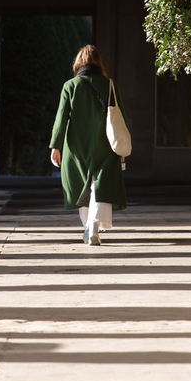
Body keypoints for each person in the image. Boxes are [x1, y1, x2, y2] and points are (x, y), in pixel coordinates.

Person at [49, 44, 127, 245]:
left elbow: (61, 118)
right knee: (101, 184)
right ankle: (94, 224)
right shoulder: (111, 85)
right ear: (98, 62)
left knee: (80, 186)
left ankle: (88, 226)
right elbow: (120, 118)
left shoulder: (70, 86)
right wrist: (122, 147)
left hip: (76, 145)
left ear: (78, 62)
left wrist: (55, 147)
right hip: (106, 143)